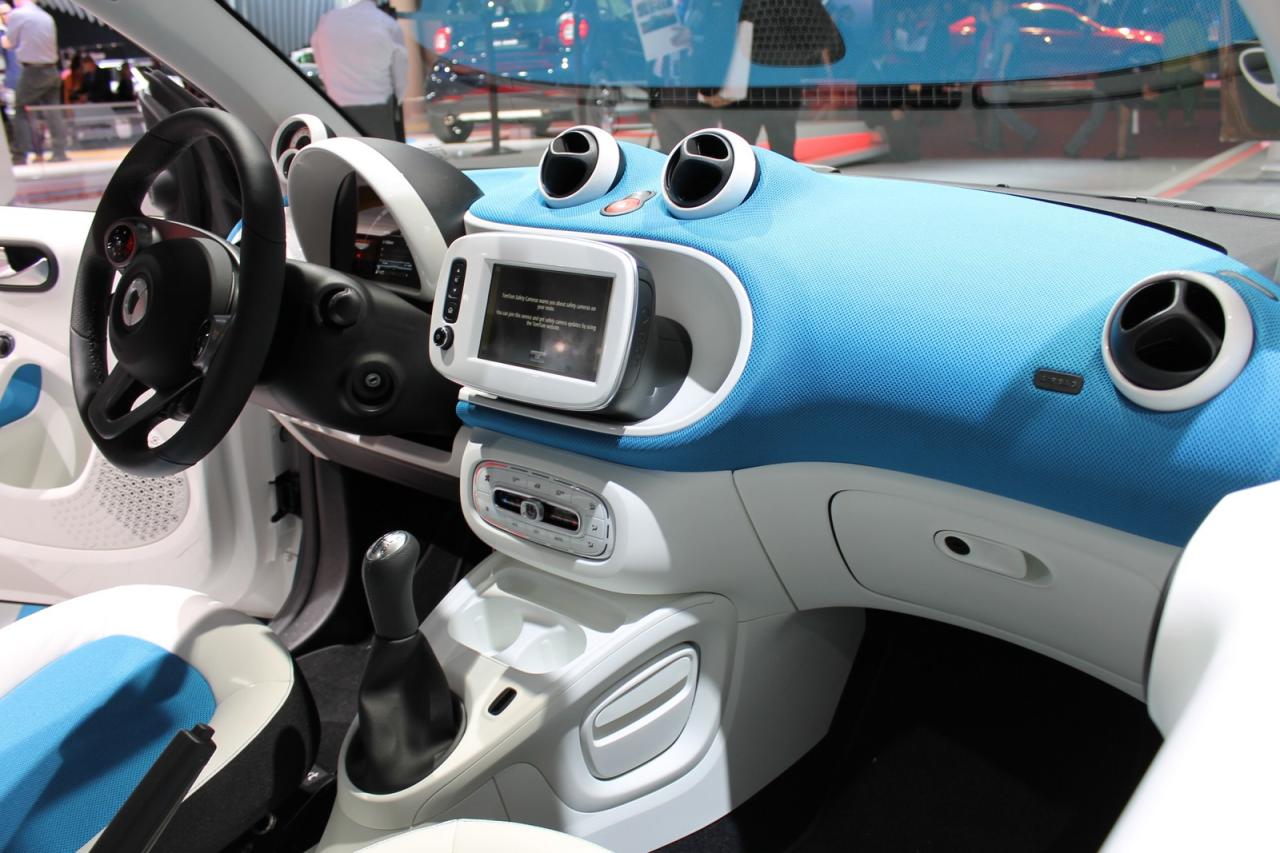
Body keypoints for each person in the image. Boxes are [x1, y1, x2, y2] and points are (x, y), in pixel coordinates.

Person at [311, 0, 407, 141]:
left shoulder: (327, 21)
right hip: (378, 108)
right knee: (381, 151)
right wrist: (398, 100)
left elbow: (319, 58)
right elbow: (400, 72)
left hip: (336, 107)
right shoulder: (386, 23)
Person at [3, 0, 66, 164]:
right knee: (53, 112)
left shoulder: (18, 15)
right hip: (52, 69)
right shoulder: (46, 16)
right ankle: (59, 152)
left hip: (33, 70)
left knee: (21, 110)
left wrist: (3, 32)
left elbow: (9, 43)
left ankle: (19, 155)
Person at [977, 0, 1037, 152]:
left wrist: (1002, 70)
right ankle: (994, 143)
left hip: (1002, 73)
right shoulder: (1000, 23)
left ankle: (1029, 133)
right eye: (994, 5)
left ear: (1005, 8)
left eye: (997, 5)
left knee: (999, 109)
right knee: (994, 108)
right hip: (996, 71)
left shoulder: (1008, 23)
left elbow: (1008, 46)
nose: (994, 8)